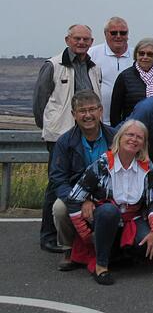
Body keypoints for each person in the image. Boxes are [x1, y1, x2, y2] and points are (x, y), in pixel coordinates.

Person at [66, 120, 153, 285]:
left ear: (144, 143)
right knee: (109, 211)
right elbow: (74, 199)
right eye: (130, 134)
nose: (134, 139)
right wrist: (85, 235)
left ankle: (117, 254)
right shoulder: (103, 163)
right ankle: (101, 266)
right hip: (104, 218)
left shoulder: (147, 167)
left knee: (146, 248)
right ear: (120, 137)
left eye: (139, 137)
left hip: (131, 219)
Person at [34, 24, 101, 253]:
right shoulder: (53, 65)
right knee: (56, 185)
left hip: (87, 131)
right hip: (60, 135)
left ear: (91, 42)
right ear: (67, 39)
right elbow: (39, 101)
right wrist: (50, 127)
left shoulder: (93, 67)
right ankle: (48, 236)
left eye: (86, 39)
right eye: (77, 38)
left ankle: (79, 233)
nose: (81, 43)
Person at [49, 90, 116, 271]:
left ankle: (112, 249)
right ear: (73, 114)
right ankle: (69, 249)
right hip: (75, 195)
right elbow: (58, 178)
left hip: (109, 194)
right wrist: (80, 200)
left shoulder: (115, 137)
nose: (88, 115)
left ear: (101, 111)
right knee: (59, 208)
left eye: (92, 109)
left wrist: (97, 199)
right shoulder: (65, 142)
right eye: (82, 111)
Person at [110, 38, 153, 126]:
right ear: (136, 55)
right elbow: (115, 112)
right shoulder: (124, 77)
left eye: (149, 54)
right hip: (132, 130)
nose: (145, 57)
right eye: (141, 53)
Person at [88, 17, 132, 125]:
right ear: (105, 34)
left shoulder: (137, 55)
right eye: (113, 33)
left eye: (122, 33)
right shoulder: (91, 54)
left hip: (129, 122)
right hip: (99, 122)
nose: (118, 36)